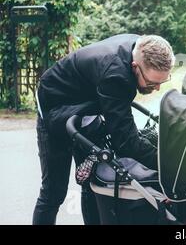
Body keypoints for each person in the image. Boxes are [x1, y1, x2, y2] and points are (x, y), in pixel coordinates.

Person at [33, 34, 175, 225]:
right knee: (53, 192)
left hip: (86, 106)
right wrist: (167, 165)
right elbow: (126, 142)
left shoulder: (144, 46)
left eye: (162, 82)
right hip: (55, 105)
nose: (157, 88)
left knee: (93, 183)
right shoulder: (117, 76)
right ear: (135, 67)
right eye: (152, 83)